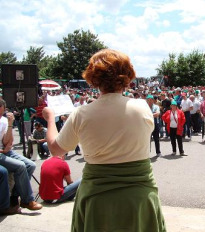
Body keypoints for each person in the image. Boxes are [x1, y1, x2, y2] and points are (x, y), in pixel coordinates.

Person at [42, 49, 166, 231]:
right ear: (128, 76)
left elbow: (56, 150)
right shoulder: (142, 107)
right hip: (139, 199)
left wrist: (50, 118)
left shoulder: (81, 113)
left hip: (96, 199)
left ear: (93, 78)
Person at [0, 99, 42, 211]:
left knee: (30, 165)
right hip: (1, 153)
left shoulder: (4, 120)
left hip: (5, 151)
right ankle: (27, 200)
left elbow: (7, 142)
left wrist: (9, 125)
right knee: (20, 166)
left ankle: (15, 196)